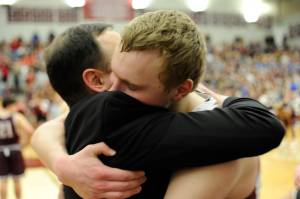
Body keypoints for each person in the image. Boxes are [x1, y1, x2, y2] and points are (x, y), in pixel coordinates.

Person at [32, 11, 284, 199]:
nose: (115, 92)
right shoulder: (222, 150)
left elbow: (49, 129)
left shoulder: (78, 120)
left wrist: (60, 164)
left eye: (131, 83)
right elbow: (265, 125)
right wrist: (215, 96)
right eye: (116, 67)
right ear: (96, 79)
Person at [0, 97, 34, 199]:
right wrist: (24, 143)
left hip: (1, 150)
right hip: (15, 149)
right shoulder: (16, 117)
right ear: (10, 105)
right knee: (17, 179)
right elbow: (30, 130)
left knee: (2, 179)